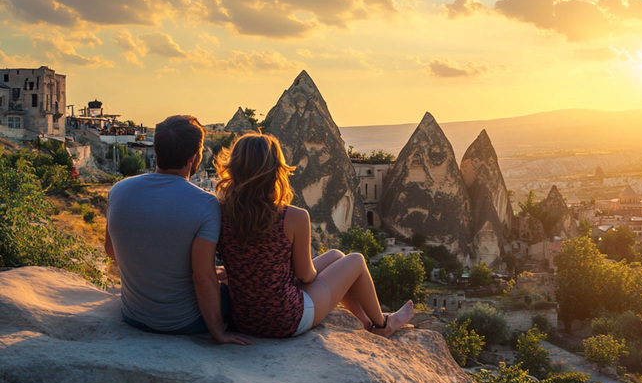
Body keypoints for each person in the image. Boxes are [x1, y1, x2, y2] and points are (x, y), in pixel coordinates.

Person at [214, 133, 413, 338]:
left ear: (233, 168)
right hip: (285, 319)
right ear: (275, 171)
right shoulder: (292, 216)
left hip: (244, 319)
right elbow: (305, 275)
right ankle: (383, 324)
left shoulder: (219, 212)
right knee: (355, 260)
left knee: (336, 256)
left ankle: (365, 323)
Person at [105, 115, 250, 345]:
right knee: (241, 288)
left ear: (157, 151)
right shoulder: (205, 204)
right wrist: (218, 333)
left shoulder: (119, 190)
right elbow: (202, 277)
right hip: (183, 322)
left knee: (220, 273)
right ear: (194, 158)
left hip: (133, 315)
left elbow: (111, 250)